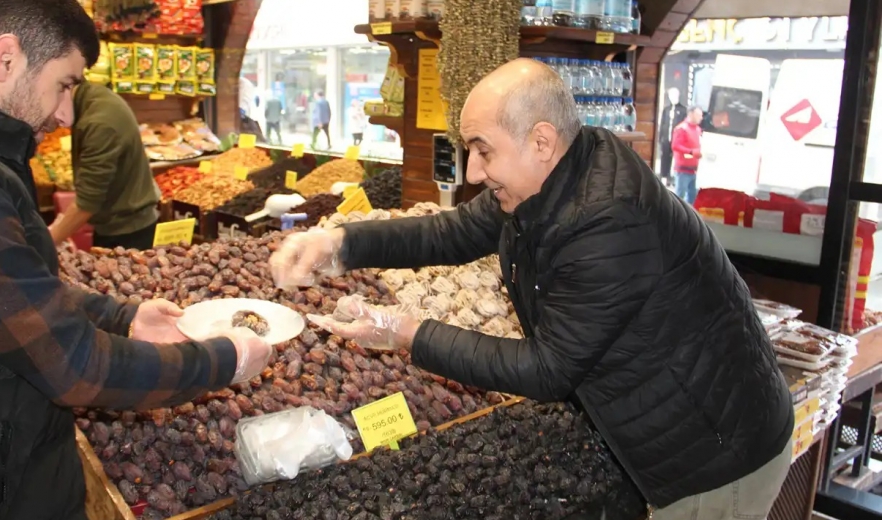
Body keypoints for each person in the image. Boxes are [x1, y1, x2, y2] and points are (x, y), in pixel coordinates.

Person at [270, 58, 794, 520]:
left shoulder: (608, 220)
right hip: (665, 424)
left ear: (541, 141)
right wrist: (340, 244)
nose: (473, 172)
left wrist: (407, 332)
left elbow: (547, 369)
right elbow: (450, 232)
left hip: (714, 456)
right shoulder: (558, 174)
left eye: (483, 150)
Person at [0, 1, 271, 518]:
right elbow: (75, 365)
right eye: (64, 84)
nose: (66, 113)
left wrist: (125, 318)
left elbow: (4, 290)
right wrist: (226, 360)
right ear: (6, 58)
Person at [48, 82, 161, 249]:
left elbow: (87, 203)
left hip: (129, 235)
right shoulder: (94, 99)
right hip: (116, 224)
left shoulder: (100, 122)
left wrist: (49, 241)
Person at [672, 106, 704, 205]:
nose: (701, 118)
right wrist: (691, 152)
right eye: (698, 115)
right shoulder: (682, 128)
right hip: (683, 169)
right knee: (679, 196)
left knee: (692, 196)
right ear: (690, 114)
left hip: (694, 169)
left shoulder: (698, 129)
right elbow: (675, 146)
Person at [658, 87, 687, 187]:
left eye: (674, 95)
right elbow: (662, 124)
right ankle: (664, 177)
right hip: (666, 139)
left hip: (677, 141)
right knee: (664, 158)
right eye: (670, 95)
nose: (672, 97)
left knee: (676, 159)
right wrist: (660, 138)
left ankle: (674, 178)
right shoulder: (666, 109)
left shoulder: (683, 110)